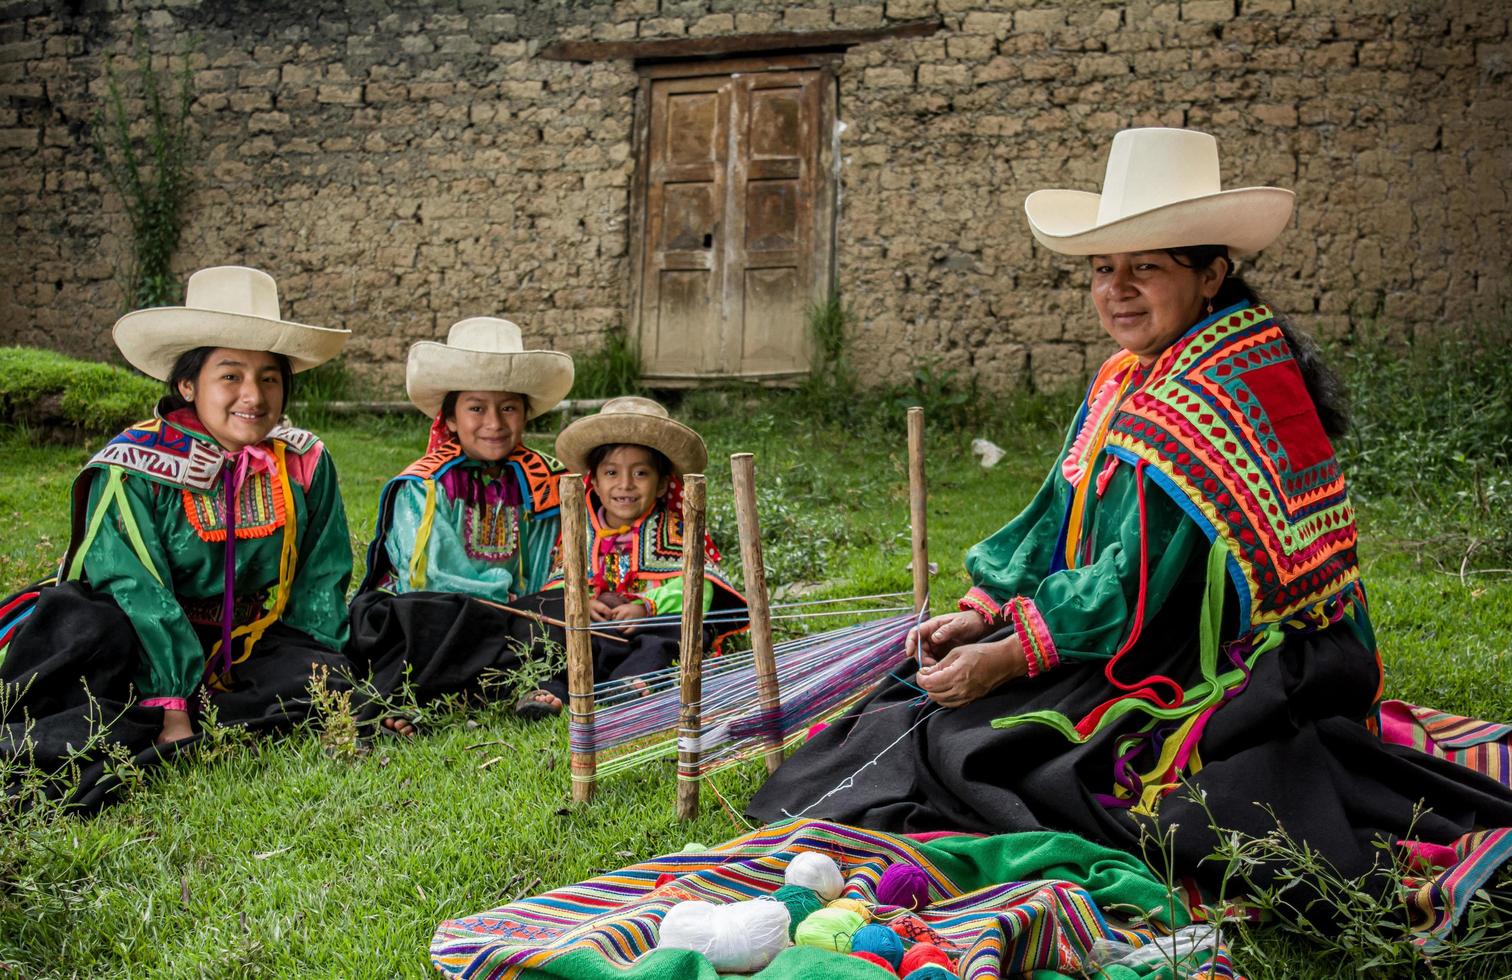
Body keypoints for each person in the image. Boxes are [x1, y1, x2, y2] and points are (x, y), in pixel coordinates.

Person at [748, 129, 1512, 900]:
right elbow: (1059, 509)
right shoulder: (1135, 371)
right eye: (1102, 269)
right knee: (915, 707)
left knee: (991, 748)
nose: (1117, 290)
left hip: (1245, 659)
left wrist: (1011, 657)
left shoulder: (1215, 389)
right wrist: (986, 611)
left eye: (1145, 268)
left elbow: (1137, 581)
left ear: (1211, 274)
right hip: (1148, 623)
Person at [0, 266, 355, 810]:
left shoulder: (305, 461)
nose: (253, 396)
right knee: (88, 649)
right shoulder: (134, 464)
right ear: (189, 384)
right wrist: (172, 705)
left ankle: (212, 704)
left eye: (269, 377)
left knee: (325, 675)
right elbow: (133, 585)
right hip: (140, 640)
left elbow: (321, 576)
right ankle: (166, 705)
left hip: (247, 647)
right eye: (230, 376)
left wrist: (322, 676)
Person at [346, 317, 574, 728]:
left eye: (508, 407)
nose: (494, 422)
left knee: (562, 609)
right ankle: (452, 691)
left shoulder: (546, 480)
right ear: (450, 418)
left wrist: (532, 606)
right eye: (476, 408)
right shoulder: (425, 484)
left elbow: (553, 563)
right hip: (440, 612)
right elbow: (431, 576)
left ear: (525, 414)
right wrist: (505, 607)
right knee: (421, 619)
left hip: (514, 616)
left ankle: (484, 687)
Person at [506, 397, 748, 718]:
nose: (625, 485)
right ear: (593, 480)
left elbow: (700, 588)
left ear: (662, 484)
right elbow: (558, 581)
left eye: (640, 473)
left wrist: (646, 607)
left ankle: (631, 681)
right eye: (611, 472)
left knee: (682, 630)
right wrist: (580, 602)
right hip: (594, 630)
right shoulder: (580, 529)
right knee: (552, 627)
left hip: (647, 630)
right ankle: (552, 690)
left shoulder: (676, 529)